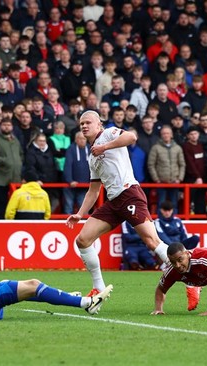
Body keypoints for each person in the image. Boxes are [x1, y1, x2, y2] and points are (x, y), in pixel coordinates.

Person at [65, 110, 170, 296]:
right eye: (82, 124)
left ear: (99, 124)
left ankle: (191, 278)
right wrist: (80, 214)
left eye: (88, 122)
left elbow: (132, 136)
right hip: (113, 201)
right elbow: (94, 190)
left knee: (152, 241)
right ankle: (98, 288)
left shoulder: (108, 133)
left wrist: (104, 147)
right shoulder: (91, 156)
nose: (84, 126)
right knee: (82, 240)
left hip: (129, 194)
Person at [0, 118, 23, 219]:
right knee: (1, 200)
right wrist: (3, 160)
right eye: (4, 125)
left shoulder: (16, 140)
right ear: (0, 126)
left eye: (9, 125)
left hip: (16, 176)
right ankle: (1, 219)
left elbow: (21, 154)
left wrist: (19, 163)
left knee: (16, 200)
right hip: (1, 175)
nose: (7, 127)